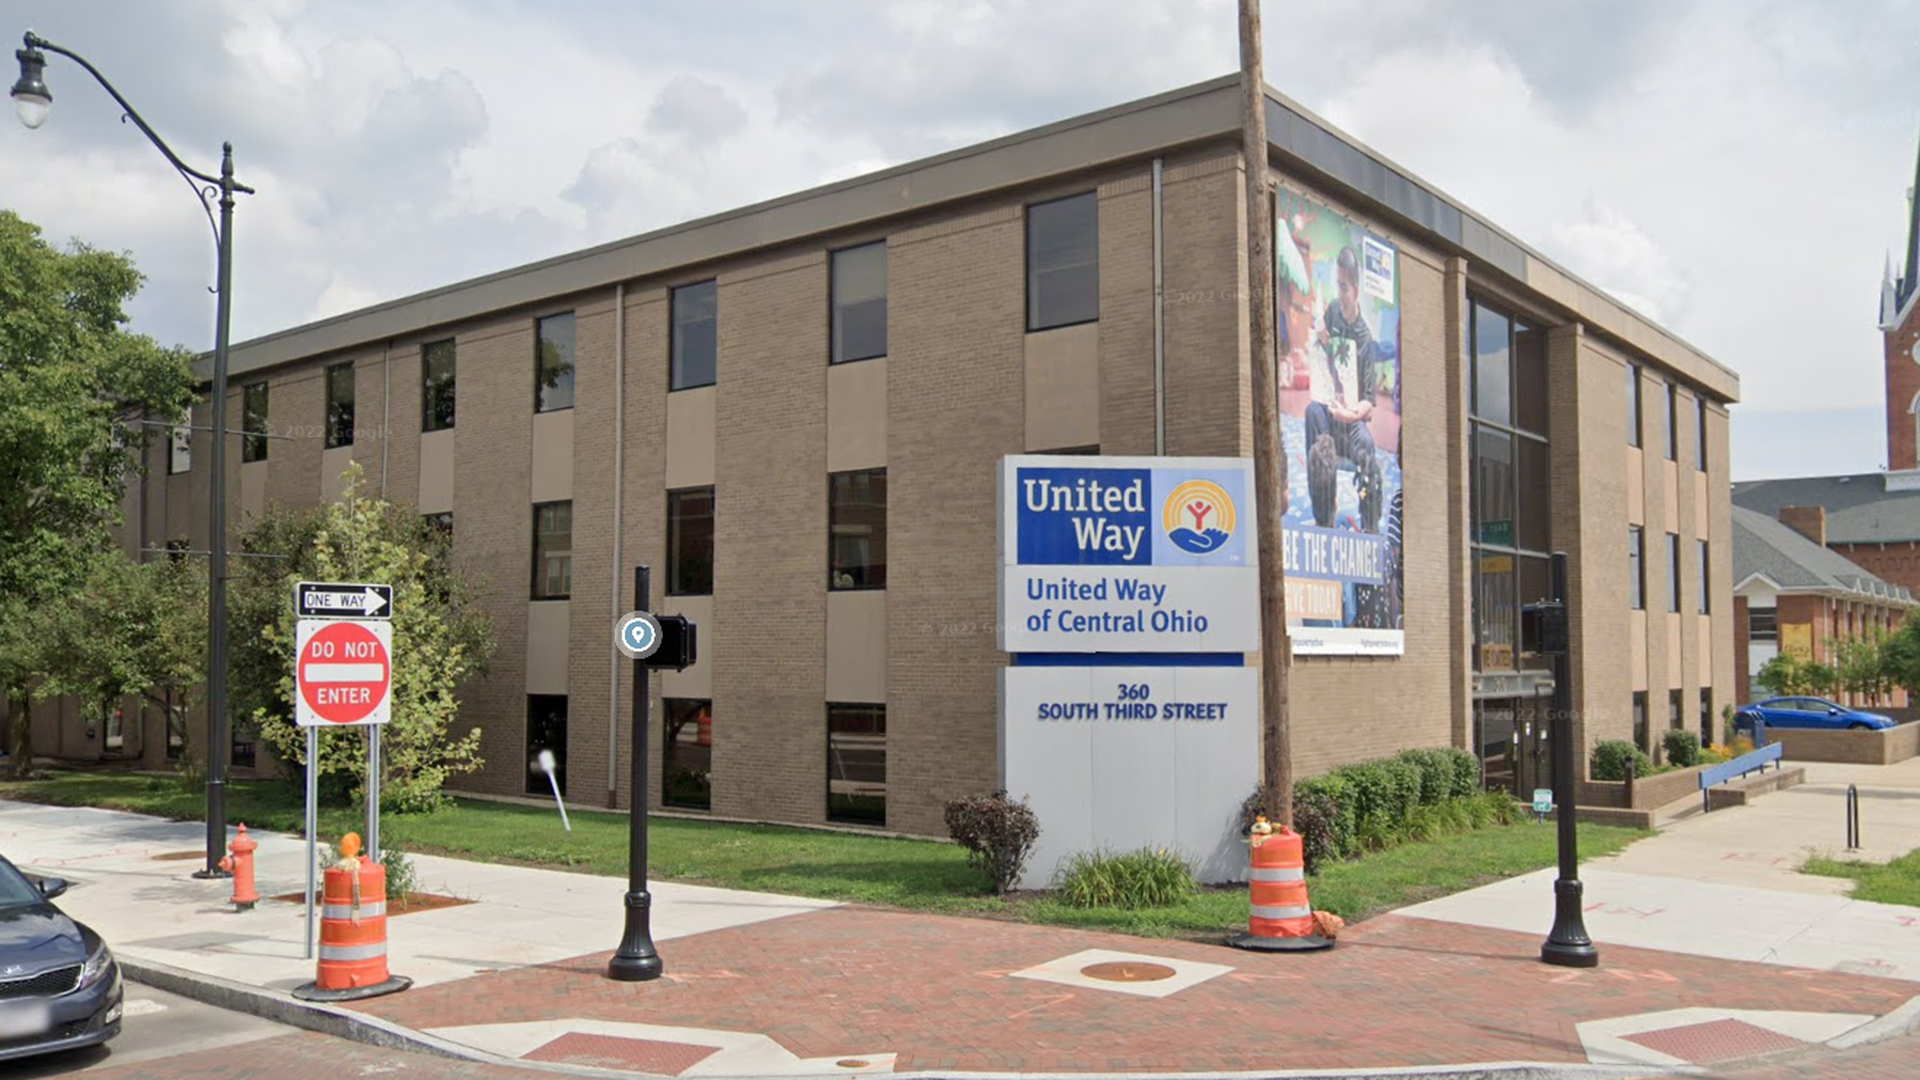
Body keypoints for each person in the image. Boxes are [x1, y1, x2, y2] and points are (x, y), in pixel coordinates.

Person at [1305, 245, 1380, 531]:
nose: (1341, 293)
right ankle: (1323, 509)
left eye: (1345, 287)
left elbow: (1370, 405)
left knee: (1367, 443)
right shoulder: (1334, 309)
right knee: (1312, 411)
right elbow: (1319, 326)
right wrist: (1320, 329)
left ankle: (1370, 521)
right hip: (1328, 410)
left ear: (1357, 290)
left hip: (1351, 420)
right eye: (1338, 285)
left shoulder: (1364, 339)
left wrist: (1350, 415)